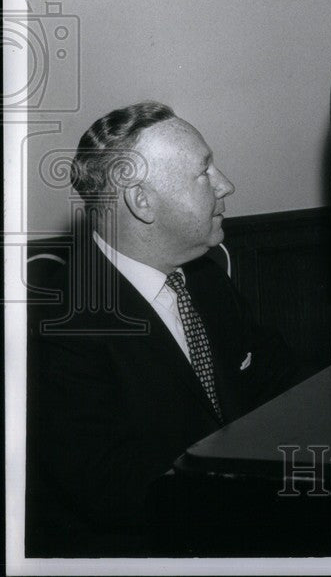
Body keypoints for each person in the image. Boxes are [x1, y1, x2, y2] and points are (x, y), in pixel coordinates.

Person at [27, 102, 297, 554]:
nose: (226, 184)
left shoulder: (206, 278)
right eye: (204, 171)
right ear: (142, 202)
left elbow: (281, 382)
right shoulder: (62, 326)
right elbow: (111, 492)